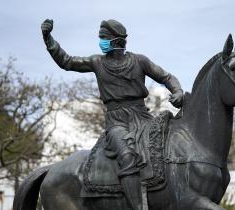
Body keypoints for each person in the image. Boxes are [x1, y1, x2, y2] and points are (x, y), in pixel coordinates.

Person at [41, 19, 183, 210]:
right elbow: (67, 61)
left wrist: (177, 91)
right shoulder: (97, 61)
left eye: (104, 38)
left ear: (116, 41)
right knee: (127, 156)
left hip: (142, 116)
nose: (101, 42)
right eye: (101, 38)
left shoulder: (139, 60)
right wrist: (48, 38)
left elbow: (166, 77)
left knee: (166, 146)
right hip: (117, 122)